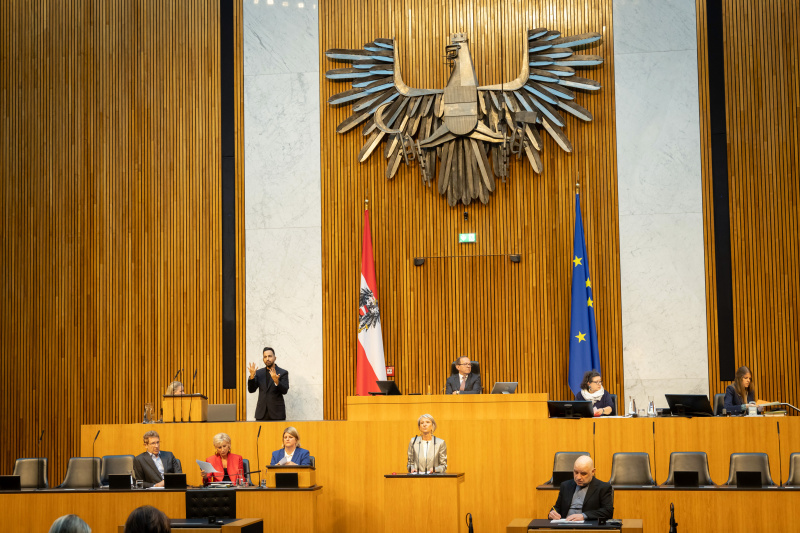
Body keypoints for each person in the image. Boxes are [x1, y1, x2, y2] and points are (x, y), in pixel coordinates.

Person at [548, 455, 613, 521]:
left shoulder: (603, 487)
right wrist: (552, 513)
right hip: (565, 526)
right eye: (576, 472)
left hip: (587, 527)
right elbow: (557, 507)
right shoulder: (565, 486)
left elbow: (608, 511)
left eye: (583, 474)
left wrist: (584, 516)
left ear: (593, 472)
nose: (578, 477)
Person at [248, 346, 289, 420]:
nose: (267, 359)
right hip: (261, 413)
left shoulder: (283, 372)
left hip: (277, 413)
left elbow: (285, 390)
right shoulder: (259, 373)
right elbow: (251, 390)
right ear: (263, 359)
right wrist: (252, 376)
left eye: (270, 356)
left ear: (275, 358)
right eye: (265, 357)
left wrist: (276, 381)